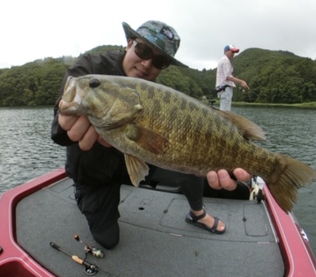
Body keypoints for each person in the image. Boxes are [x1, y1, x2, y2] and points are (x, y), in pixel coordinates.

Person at [51, 20, 250, 249]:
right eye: (143, 50)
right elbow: (57, 132)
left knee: (189, 152)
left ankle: (197, 212)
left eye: (159, 61)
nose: (147, 63)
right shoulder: (89, 72)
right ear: (129, 43)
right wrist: (64, 124)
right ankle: (83, 195)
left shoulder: (154, 92)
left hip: (138, 162)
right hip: (95, 173)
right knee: (108, 239)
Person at [215, 44, 249, 111]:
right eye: (232, 52)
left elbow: (227, 76)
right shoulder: (225, 60)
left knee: (225, 112)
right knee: (225, 113)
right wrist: (241, 82)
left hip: (223, 89)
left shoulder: (224, 60)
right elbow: (228, 76)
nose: (233, 54)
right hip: (225, 89)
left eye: (234, 52)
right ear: (226, 51)